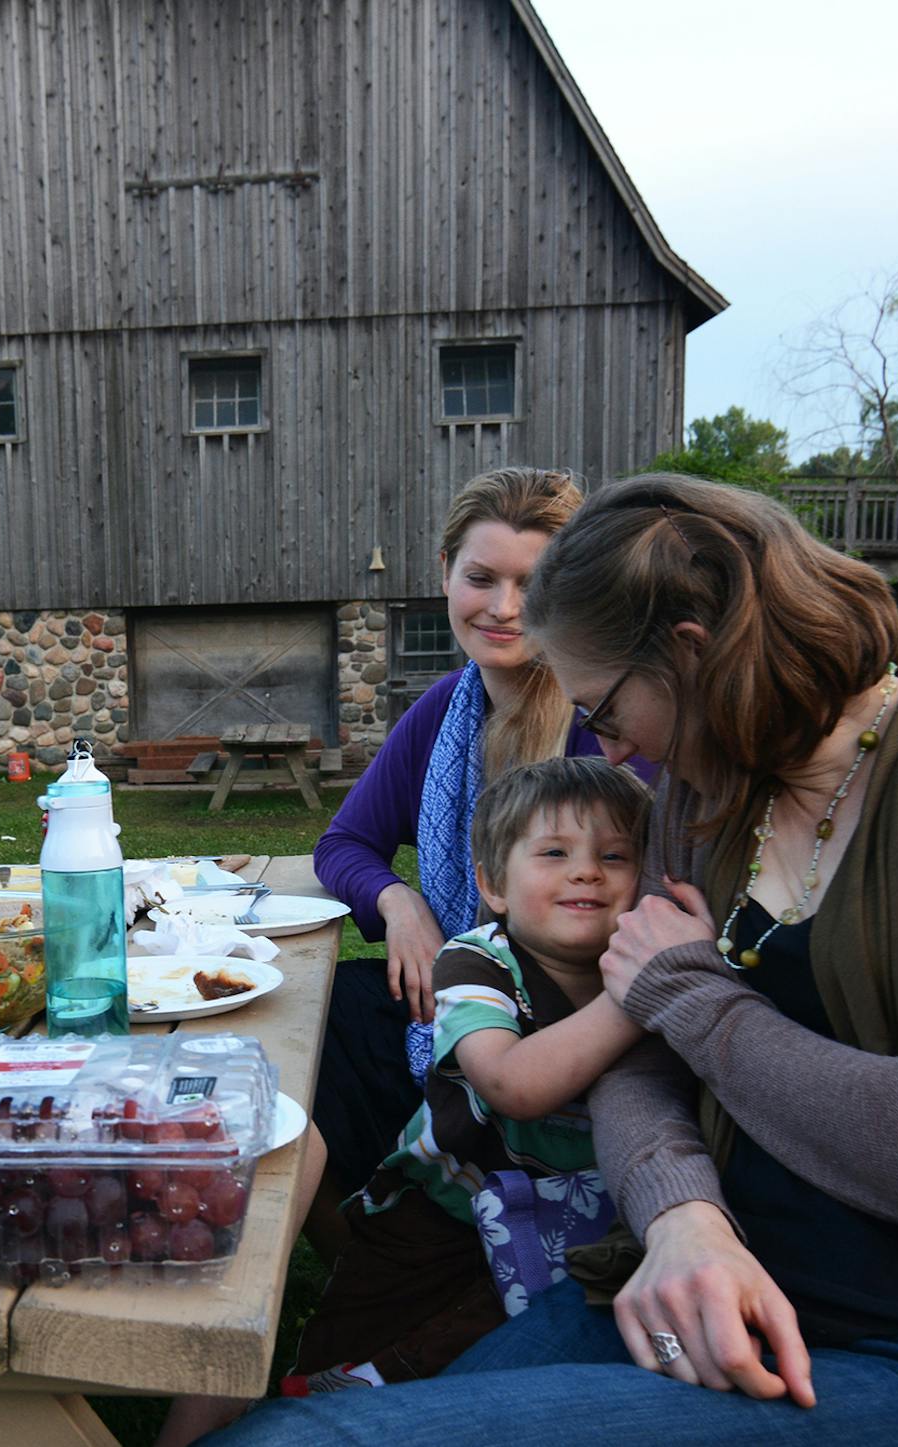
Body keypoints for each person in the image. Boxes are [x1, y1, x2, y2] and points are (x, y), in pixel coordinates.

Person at [210, 475, 898, 1446]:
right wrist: (682, 1215)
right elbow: (642, 1061)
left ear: (687, 654)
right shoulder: (704, 801)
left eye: (604, 706)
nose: (603, 740)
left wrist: (696, 998)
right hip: (687, 1276)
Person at [310, 467, 638, 1217]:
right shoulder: (442, 711)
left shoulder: (607, 721)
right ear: (445, 575)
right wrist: (399, 904)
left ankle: (428, 1225)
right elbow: (345, 843)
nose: (504, 607)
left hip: (567, 1018)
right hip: (456, 986)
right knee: (317, 1019)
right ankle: (359, 1245)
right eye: (481, 577)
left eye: (533, 581)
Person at [293, 756, 650, 1391]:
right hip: (441, 1209)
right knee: (342, 1348)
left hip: (579, 1225)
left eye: (616, 857)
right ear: (494, 885)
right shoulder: (479, 962)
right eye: (554, 853)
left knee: (474, 1357)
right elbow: (512, 1083)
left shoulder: (638, 962)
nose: (587, 870)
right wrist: (637, 997)